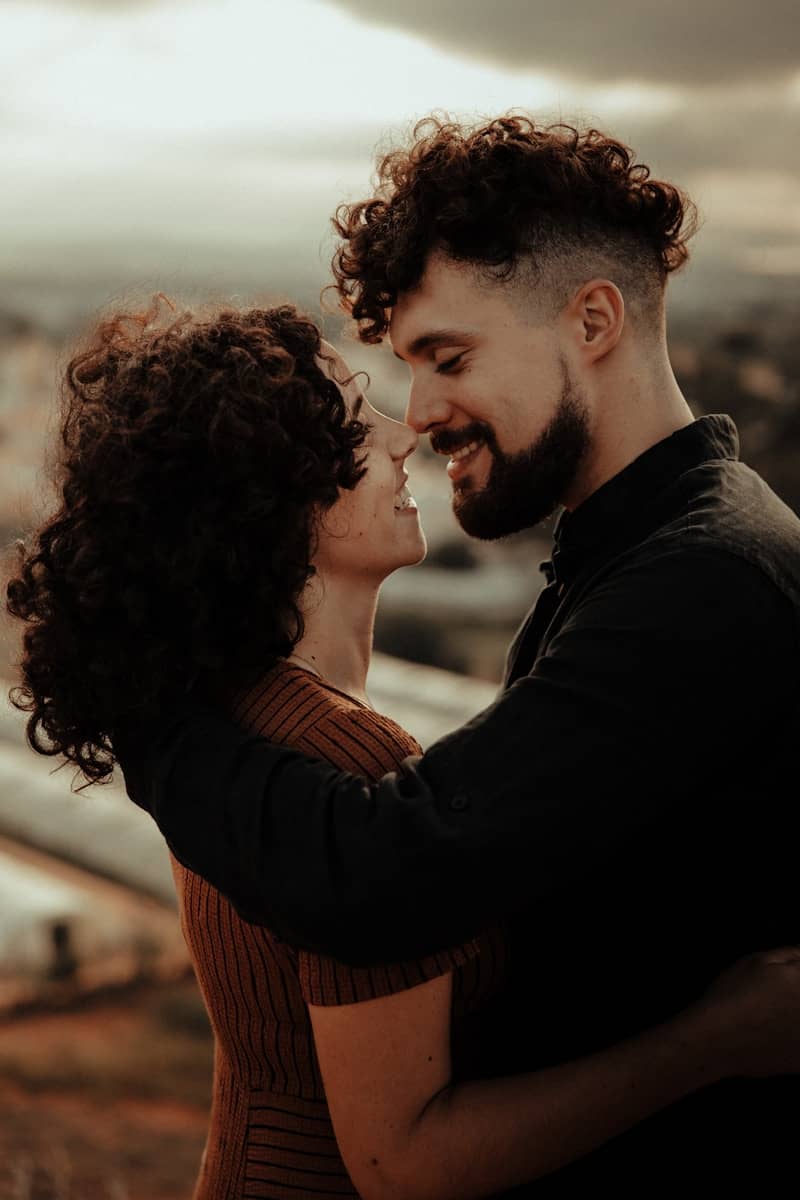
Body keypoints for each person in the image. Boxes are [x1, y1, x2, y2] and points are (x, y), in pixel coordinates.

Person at [12, 112, 800, 1189]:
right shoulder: (633, 558)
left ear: (593, 320)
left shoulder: (699, 580)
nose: (417, 417)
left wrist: (150, 713)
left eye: (448, 357)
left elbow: (390, 865)